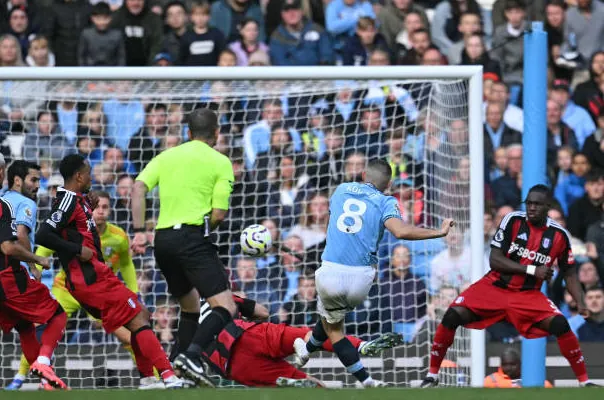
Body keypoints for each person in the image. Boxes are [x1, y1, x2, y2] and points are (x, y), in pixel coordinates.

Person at [293, 159, 454, 387]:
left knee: (334, 328)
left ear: (363, 174)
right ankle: (305, 351)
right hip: (362, 279)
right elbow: (400, 231)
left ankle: (367, 381)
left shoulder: (340, 190)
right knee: (330, 317)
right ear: (388, 185)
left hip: (331, 271)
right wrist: (439, 232)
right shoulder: (386, 200)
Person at [421, 185, 597, 388]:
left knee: (560, 324)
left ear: (548, 206)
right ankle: (432, 375)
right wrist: (532, 270)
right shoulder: (512, 220)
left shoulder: (559, 236)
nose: (531, 208)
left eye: (537, 204)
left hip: (527, 294)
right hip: (494, 287)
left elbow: (570, 272)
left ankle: (585, 381)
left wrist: (581, 302)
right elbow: (495, 260)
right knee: (452, 315)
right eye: (529, 203)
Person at [35, 154, 183, 389]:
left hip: (96, 275)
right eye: (89, 172)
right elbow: (42, 234)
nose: (92, 176)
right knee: (139, 319)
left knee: (141, 314)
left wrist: (87, 207)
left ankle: (147, 378)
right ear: (79, 176)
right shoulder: (67, 201)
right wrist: (76, 249)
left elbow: (75, 227)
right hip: (89, 278)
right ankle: (168, 375)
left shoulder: (79, 200)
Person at [130, 108, 237, 387]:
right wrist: (205, 229)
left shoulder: (166, 156)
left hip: (163, 241)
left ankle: (175, 370)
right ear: (216, 133)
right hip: (191, 238)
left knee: (190, 306)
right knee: (226, 306)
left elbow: (138, 188)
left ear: (188, 133)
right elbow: (219, 213)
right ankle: (192, 355)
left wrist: (140, 231)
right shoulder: (220, 162)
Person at [7, 191, 152, 389]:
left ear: (110, 211)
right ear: (90, 209)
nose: (100, 212)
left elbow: (127, 264)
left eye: (105, 207)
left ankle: (150, 377)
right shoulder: (75, 230)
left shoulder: (119, 237)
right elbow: (44, 250)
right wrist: (36, 271)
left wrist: (134, 292)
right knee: (43, 326)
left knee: (129, 332)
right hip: (67, 289)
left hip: (100, 292)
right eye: (98, 207)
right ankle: (20, 377)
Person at [199, 295, 403, 387]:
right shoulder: (218, 296)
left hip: (233, 367)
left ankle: (294, 383)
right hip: (245, 335)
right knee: (310, 335)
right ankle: (361, 345)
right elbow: (262, 312)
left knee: (310, 387)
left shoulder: (187, 326)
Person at [483, 348, 553, 388]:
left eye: (512, 364)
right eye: (505, 364)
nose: (508, 368)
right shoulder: (490, 381)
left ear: (520, 364)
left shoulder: (534, 380)